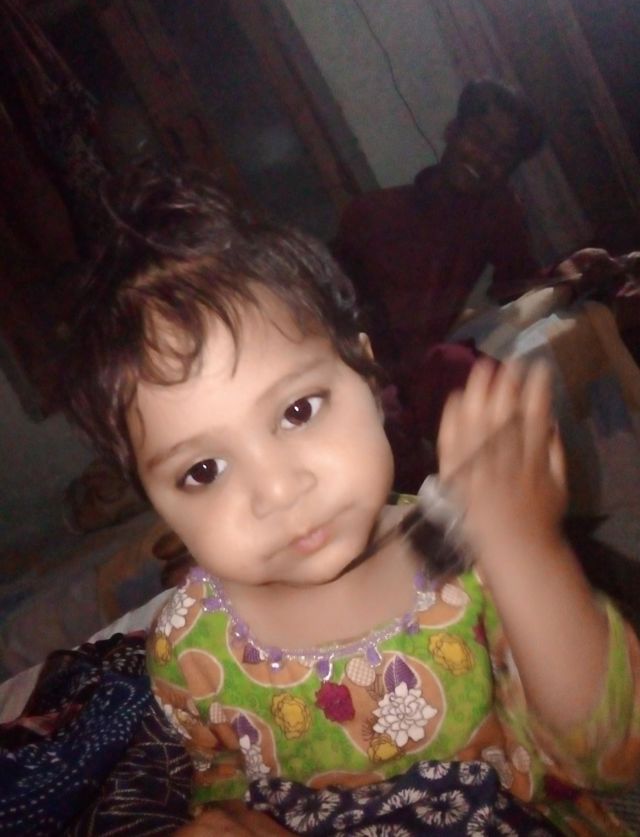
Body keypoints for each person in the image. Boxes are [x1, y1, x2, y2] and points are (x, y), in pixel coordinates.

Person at [66, 166, 640, 835]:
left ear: (366, 375)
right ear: (157, 506)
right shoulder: (189, 646)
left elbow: (611, 755)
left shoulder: (470, 548)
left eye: (298, 410)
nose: (278, 489)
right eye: (203, 470)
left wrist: (527, 551)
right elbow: (221, 778)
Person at [334, 79, 619, 487]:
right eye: (480, 138)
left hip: (424, 372)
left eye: (503, 156)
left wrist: (567, 272)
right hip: (363, 372)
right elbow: (335, 314)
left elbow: (514, 284)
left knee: (486, 383)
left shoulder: (495, 213)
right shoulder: (372, 213)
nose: (485, 159)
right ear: (453, 131)